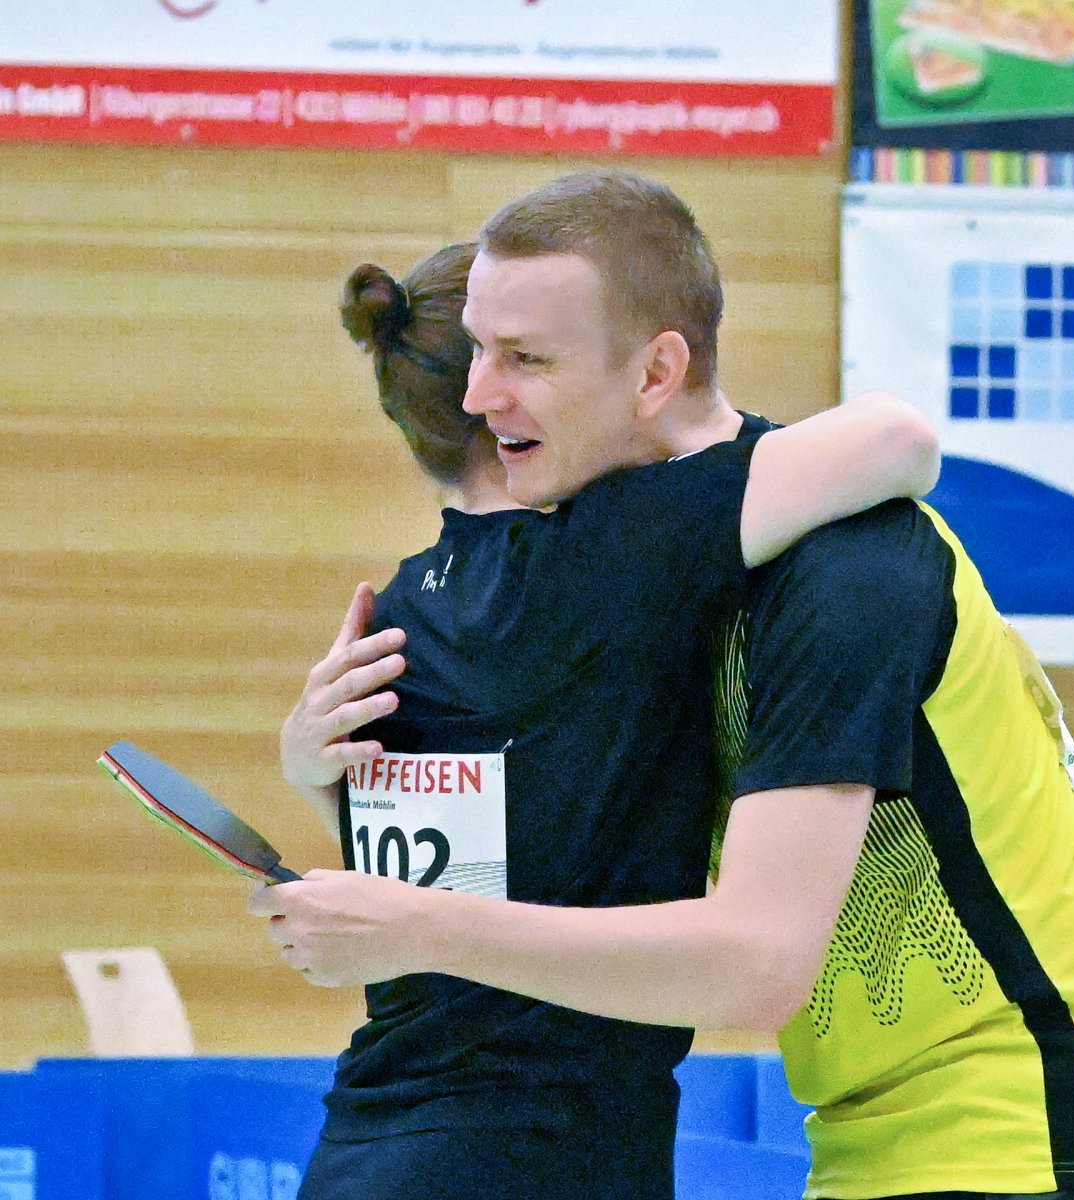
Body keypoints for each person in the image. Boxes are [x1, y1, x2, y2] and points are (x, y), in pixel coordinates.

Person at [257, 168, 1074, 1200]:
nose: (479, 398)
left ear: (655, 373)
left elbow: (757, 959)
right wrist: (325, 773)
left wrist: (413, 925)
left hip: (1046, 1142)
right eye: (479, 351)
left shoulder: (844, 568)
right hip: (859, 1147)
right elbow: (521, 860)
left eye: (524, 358)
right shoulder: (619, 583)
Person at [253, 206, 940, 1198]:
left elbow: (483, 862)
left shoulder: (399, 609)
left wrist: (310, 780)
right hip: (549, 1149)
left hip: (369, 1138)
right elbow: (898, 440)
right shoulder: (619, 549)